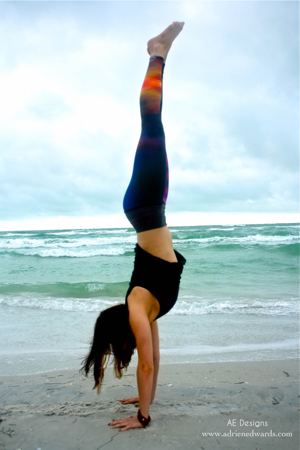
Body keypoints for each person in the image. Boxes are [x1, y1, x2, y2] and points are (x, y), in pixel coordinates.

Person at [81, 21, 186, 431]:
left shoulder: (139, 308)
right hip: (147, 209)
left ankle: (156, 52)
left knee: (151, 122)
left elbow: (144, 361)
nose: (122, 350)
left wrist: (142, 419)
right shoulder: (145, 310)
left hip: (146, 207)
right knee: (152, 126)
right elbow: (153, 362)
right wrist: (145, 401)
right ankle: (158, 53)